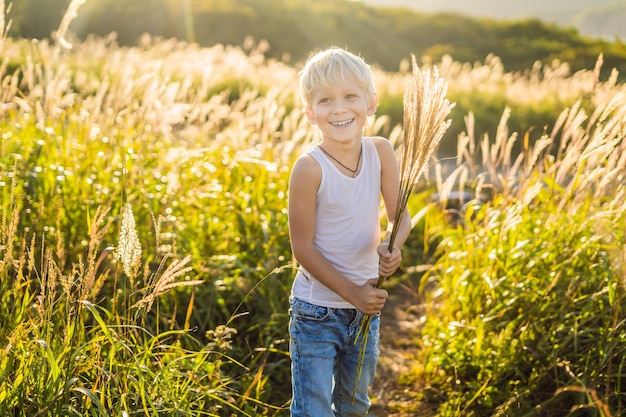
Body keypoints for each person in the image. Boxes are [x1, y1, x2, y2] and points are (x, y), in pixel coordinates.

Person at [287, 46, 412, 417]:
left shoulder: (381, 152)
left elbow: (400, 218)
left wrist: (394, 246)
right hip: (317, 311)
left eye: (350, 96)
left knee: (355, 405)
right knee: (313, 409)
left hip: (365, 309)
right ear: (311, 114)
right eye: (325, 100)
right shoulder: (309, 169)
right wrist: (353, 293)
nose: (339, 108)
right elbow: (303, 249)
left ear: (371, 103)